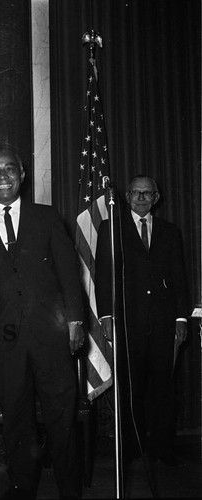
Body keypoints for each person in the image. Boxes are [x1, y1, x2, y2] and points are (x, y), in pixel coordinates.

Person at [0, 149, 85, 500]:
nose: (3, 176)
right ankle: (23, 486)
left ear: (23, 175)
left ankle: (69, 488)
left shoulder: (47, 217)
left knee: (60, 414)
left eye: (10, 169)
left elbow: (69, 271)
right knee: (16, 415)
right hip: (4, 338)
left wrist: (76, 319)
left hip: (51, 334)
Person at [95, 174, 188, 466]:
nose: (141, 198)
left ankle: (163, 448)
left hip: (163, 324)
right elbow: (103, 277)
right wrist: (107, 316)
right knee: (130, 387)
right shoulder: (112, 229)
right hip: (127, 322)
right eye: (136, 193)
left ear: (156, 198)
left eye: (147, 194)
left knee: (163, 388)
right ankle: (131, 447)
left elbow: (179, 279)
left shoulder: (170, 232)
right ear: (127, 196)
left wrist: (181, 318)